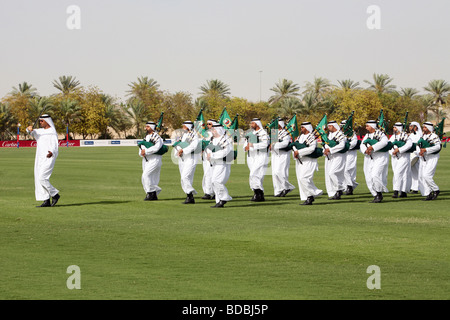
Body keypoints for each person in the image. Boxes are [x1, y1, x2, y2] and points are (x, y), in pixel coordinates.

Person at [26, 114, 60, 207]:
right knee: (38, 178)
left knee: (42, 177)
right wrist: (28, 129)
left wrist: (52, 152)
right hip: (39, 158)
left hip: (48, 157)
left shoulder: (52, 132)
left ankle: (55, 194)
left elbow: (55, 145)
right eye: (39, 121)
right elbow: (30, 132)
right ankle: (46, 200)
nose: (40, 122)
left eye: (42, 121)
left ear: (47, 121)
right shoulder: (39, 131)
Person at [292, 122, 323, 205]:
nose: (301, 129)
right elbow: (295, 145)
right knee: (302, 179)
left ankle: (315, 192)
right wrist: (295, 151)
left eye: (302, 127)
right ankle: (309, 197)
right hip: (300, 160)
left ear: (307, 128)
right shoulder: (300, 137)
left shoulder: (312, 137)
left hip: (309, 160)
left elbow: (311, 149)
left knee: (304, 178)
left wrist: (299, 152)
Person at [360, 120, 390, 203]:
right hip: (371, 158)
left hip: (380, 157)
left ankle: (379, 193)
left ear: (372, 126)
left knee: (375, 175)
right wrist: (365, 150)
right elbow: (362, 144)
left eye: (367, 126)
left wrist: (372, 147)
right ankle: (376, 193)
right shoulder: (367, 135)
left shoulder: (380, 134)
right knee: (370, 176)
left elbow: (384, 142)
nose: (366, 128)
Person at [206, 123, 233, 208]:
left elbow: (225, 152)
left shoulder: (225, 140)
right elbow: (209, 149)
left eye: (214, 129)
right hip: (214, 163)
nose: (212, 131)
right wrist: (209, 155)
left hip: (222, 163)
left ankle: (224, 198)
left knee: (216, 181)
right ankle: (219, 201)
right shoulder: (213, 140)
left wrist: (213, 155)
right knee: (214, 182)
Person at [174, 120, 201, 204]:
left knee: (185, 177)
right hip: (182, 158)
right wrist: (178, 150)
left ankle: (190, 193)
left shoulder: (194, 135)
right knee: (184, 178)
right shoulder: (183, 135)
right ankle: (189, 197)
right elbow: (178, 144)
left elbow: (193, 146)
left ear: (188, 126)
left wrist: (183, 150)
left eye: (184, 126)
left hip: (191, 158)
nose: (182, 128)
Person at [244, 118, 269, 202]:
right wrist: (246, 147)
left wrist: (253, 146)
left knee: (254, 174)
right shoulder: (250, 133)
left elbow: (265, 144)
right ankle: (259, 194)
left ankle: (258, 193)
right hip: (251, 156)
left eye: (253, 123)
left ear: (257, 124)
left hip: (260, 156)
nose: (251, 125)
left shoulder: (263, 133)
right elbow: (245, 143)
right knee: (256, 175)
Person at [139, 121, 164, 201]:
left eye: (148, 127)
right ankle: (153, 195)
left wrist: (146, 151)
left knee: (145, 175)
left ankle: (150, 192)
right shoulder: (146, 137)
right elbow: (142, 146)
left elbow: (157, 148)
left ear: (152, 127)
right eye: (146, 126)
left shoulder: (157, 137)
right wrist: (142, 152)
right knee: (149, 177)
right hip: (146, 159)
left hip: (155, 159)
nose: (146, 128)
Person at [270, 119, 295, 197]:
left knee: (280, 172)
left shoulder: (286, 133)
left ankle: (287, 187)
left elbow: (285, 144)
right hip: (274, 155)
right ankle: (278, 190)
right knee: (274, 173)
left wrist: (274, 145)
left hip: (283, 154)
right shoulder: (274, 132)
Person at [323, 120, 347, 200]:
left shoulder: (340, 134)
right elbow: (326, 144)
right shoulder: (329, 135)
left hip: (339, 156)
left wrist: (331, 150)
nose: (328, 128)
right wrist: (326, 150)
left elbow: (342, 145)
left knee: (332, 173)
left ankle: (340, 188)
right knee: (329, 174)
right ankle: (336, 192)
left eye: (329, 126)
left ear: (333, 126)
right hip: (330, 157)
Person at [418, 122, 441, 201]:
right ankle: (428, 193)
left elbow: (438, 147)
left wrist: (426, 150)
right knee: (422, 176)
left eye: (425, 127)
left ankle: (436, 190)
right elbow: (419, 146)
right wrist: (420, 152)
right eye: (423, 127)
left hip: (432, 157)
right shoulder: (422, 136)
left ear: (429, 128)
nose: (424, 129)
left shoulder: (434, 136)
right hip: (424, 158)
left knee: (427, 175)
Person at [389, 122, 413, 198]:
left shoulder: (405, 136)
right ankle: (402, 191)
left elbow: (409, 145)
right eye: (393, 127)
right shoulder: (392, 137)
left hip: (404, 157)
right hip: (395, 158)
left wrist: (399, 150)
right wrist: (393, 152)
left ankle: (397, 191)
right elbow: (389, 146)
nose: (394, 129)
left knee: (399, 173)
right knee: (396, 173)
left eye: (395, 128)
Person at [340, 120, 359, 195]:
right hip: (342, 154)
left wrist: (345, 146)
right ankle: (347, 186)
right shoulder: (340, 134)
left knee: (347, 170)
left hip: (351, 153)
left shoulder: (352, 134)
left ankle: (350, 186)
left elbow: (353, 144)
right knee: (342, 170)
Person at [201, 119, 217, 200]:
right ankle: (208, 192)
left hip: (213, 155)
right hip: (205, 155)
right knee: (207, 174)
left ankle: (212, 192)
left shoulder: (216, 133)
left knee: (212, 174)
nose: (208, 125)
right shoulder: (207, 133)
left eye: (209, 124)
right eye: (207, 124)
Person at [408, 121, 423, 194]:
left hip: (416, 155)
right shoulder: (411, 135)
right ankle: (413, 187)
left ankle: (417, 187)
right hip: (411, 154)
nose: (410, 128)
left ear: (415, 127)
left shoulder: (419, 135)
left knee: (417, 172)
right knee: (412, 172)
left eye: (411, 126)